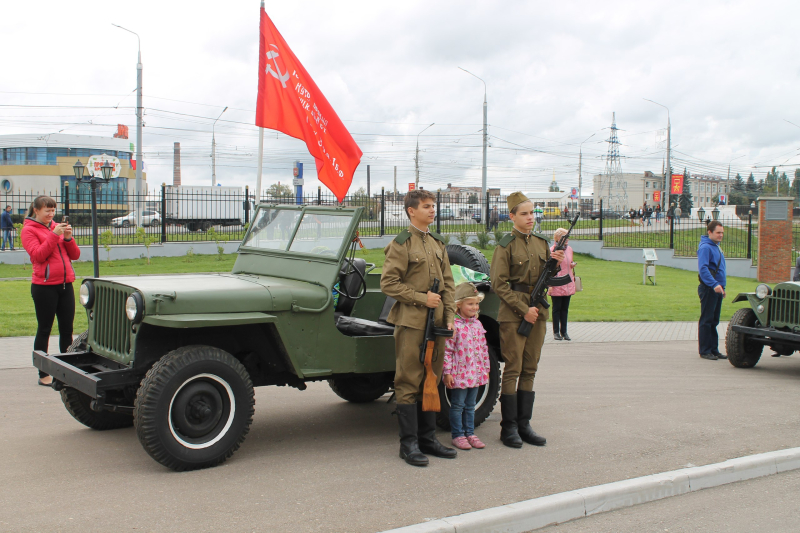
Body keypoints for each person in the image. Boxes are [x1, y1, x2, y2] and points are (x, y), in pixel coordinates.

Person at [381, 189, 457, 467]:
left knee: (432, 380)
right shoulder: (401, 243)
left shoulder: (437, 243)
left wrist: (449, 316)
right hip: (411, 323)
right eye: (426, 206)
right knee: (409, 380)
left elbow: (448, 284)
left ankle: (428, 439)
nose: (432, 210)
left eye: (433, 206)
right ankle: (408, 444)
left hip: (437, 324)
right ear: (412, 211)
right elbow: (388, 283)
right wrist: (420, 297)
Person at [490, 192, 565, 448]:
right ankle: (508, 428)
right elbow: (498, 285)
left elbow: (547, 276)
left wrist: (556, 260)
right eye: (524, 213)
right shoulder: (506, 245)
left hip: (539, 314)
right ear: (512, 216)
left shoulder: (542, 243)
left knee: (530, 368)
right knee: (513, 368)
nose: (530, 218)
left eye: (532, 213)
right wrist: (524, 310)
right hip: (514, 316)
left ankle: (524, 425)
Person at [21, 196, 80, 386]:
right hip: (44, 287)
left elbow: (75, 255)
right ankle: (43, 373)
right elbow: (38, 255)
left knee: (67, 329)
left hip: (65, 284)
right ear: (36, 210)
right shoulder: (28, 230)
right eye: (47, 211)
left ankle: (67, 372)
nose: (51, 214)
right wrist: (54, 235)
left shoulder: (56, 227)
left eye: (53, 210)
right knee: (45, 328)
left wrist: (69, 239)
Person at [442, 282, 490, 450]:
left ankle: (470, 433)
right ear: (459, 304)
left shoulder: (478, 325)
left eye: (476, 303)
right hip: (460, 374)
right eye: (470, 303)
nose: (474, 307)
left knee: (470, 406)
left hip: (476, 374)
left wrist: (486, 368)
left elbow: (484, 349)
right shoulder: (454, 326)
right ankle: (458, 435)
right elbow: (447, 351)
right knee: (458, 405)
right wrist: (447, 372)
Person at [697, 220, 727, 360]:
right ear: (710, 232)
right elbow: (703, 269)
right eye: (718, 232)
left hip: (716, 288)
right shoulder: (706, 248)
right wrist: (715, 284)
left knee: (714, 320)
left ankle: (714, 349)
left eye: (722, 232)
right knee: (707, 320)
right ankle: (705, 350)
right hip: (709, 288)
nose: (721, 235)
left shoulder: (716, 246)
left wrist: (721, 287)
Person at [548, 228, 576, 341]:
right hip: (557, 283)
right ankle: (556, 332)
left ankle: (564, 331)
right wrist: (549, 285)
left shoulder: (569, 249)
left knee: (565, 309)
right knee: (557, 308)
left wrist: (572, 264)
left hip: (567, 282)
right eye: (565, 237)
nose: (567, 239)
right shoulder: (553, 250)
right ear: (558, 238)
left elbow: (568, 262)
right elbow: (550, 267)